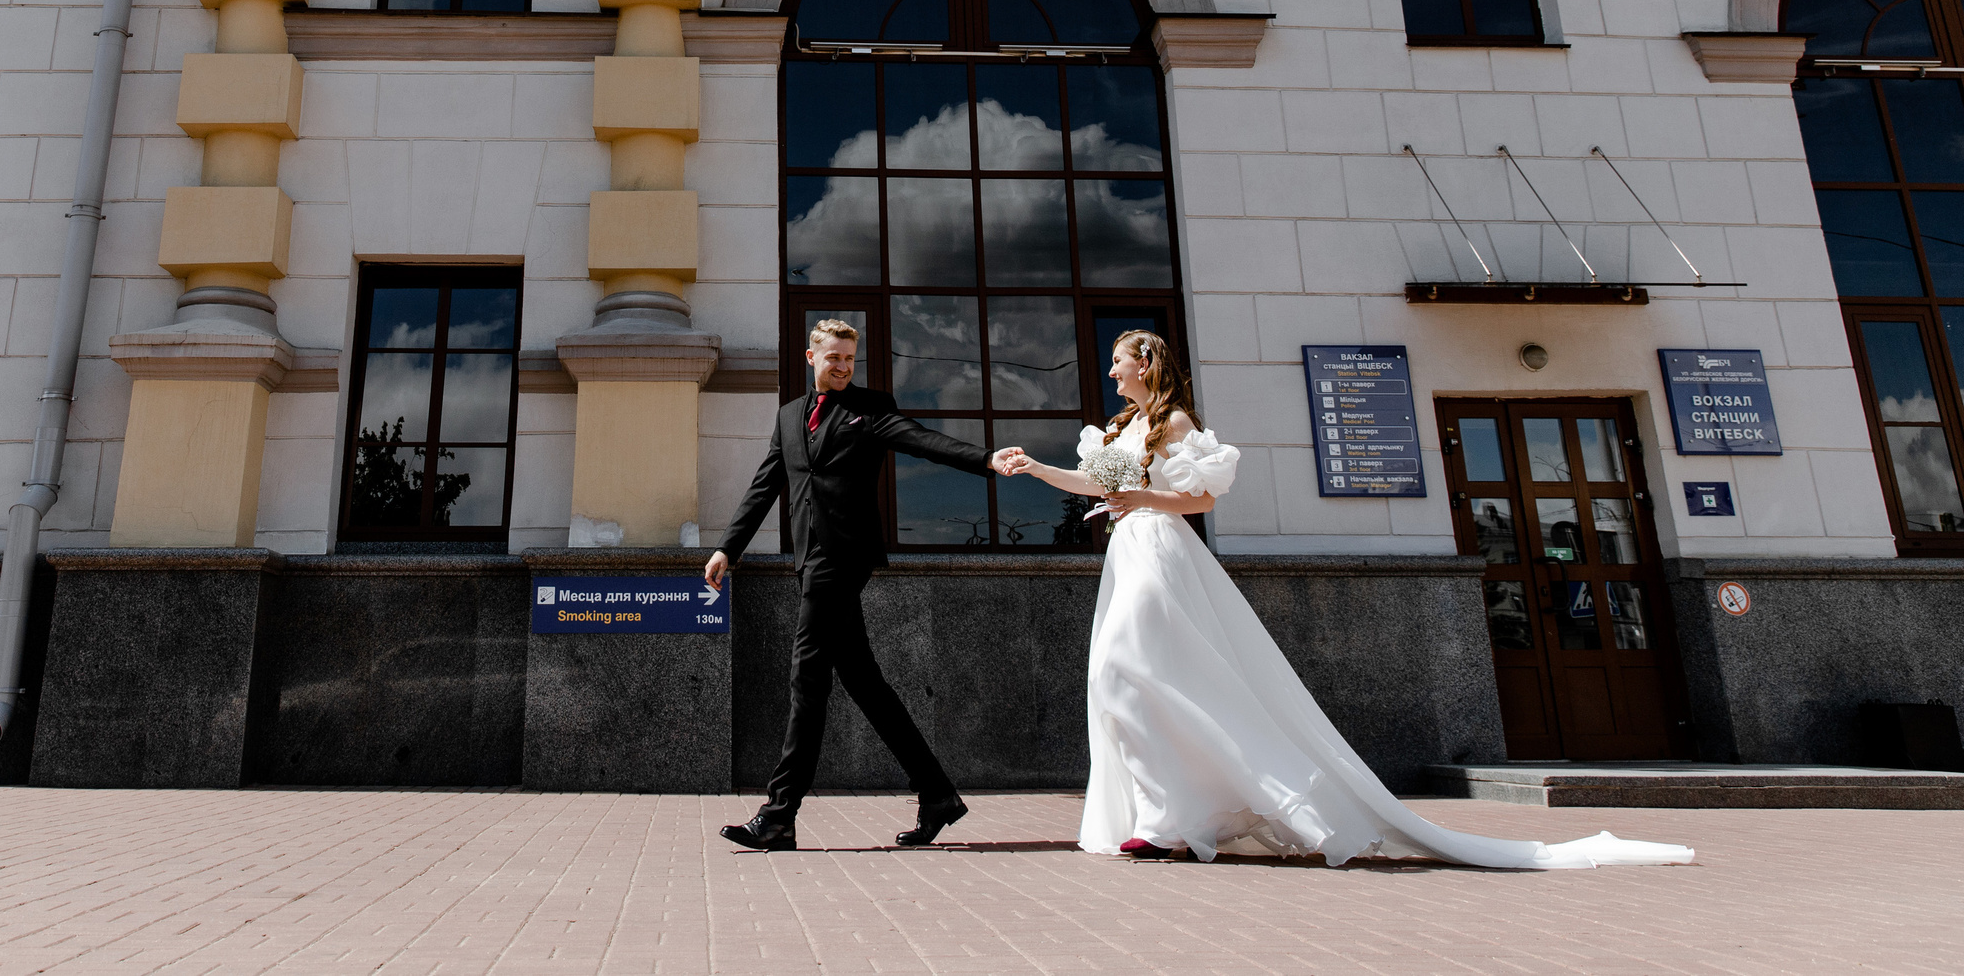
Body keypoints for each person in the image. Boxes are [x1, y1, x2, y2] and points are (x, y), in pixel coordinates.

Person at [1003, 330, 1695, 870]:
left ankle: (1174, 818)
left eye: (1119, 362)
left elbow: (1203, 499)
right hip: (1127, 554)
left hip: (1161, 553)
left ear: (1147, 364)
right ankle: (1175, 815)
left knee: (1125, 669)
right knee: (1131, 679)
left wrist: (1143, 498)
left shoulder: (1177, 423)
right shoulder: (1123, 429)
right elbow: (1097, 486)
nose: (1112, 372)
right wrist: (1034, 467)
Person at [702, 318, 1024, 852]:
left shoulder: (870, 408)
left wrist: (986, 459)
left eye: (850, 359)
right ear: (812, 357)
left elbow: (922, 441)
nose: (844, 367)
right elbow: (766, 485)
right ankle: (938, 795)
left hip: (843, 558)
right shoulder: (788, 416)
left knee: (807, 679)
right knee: (865, 684)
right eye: (834, 358)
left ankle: (779, 814)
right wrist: (727, 548)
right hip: (810, 558)